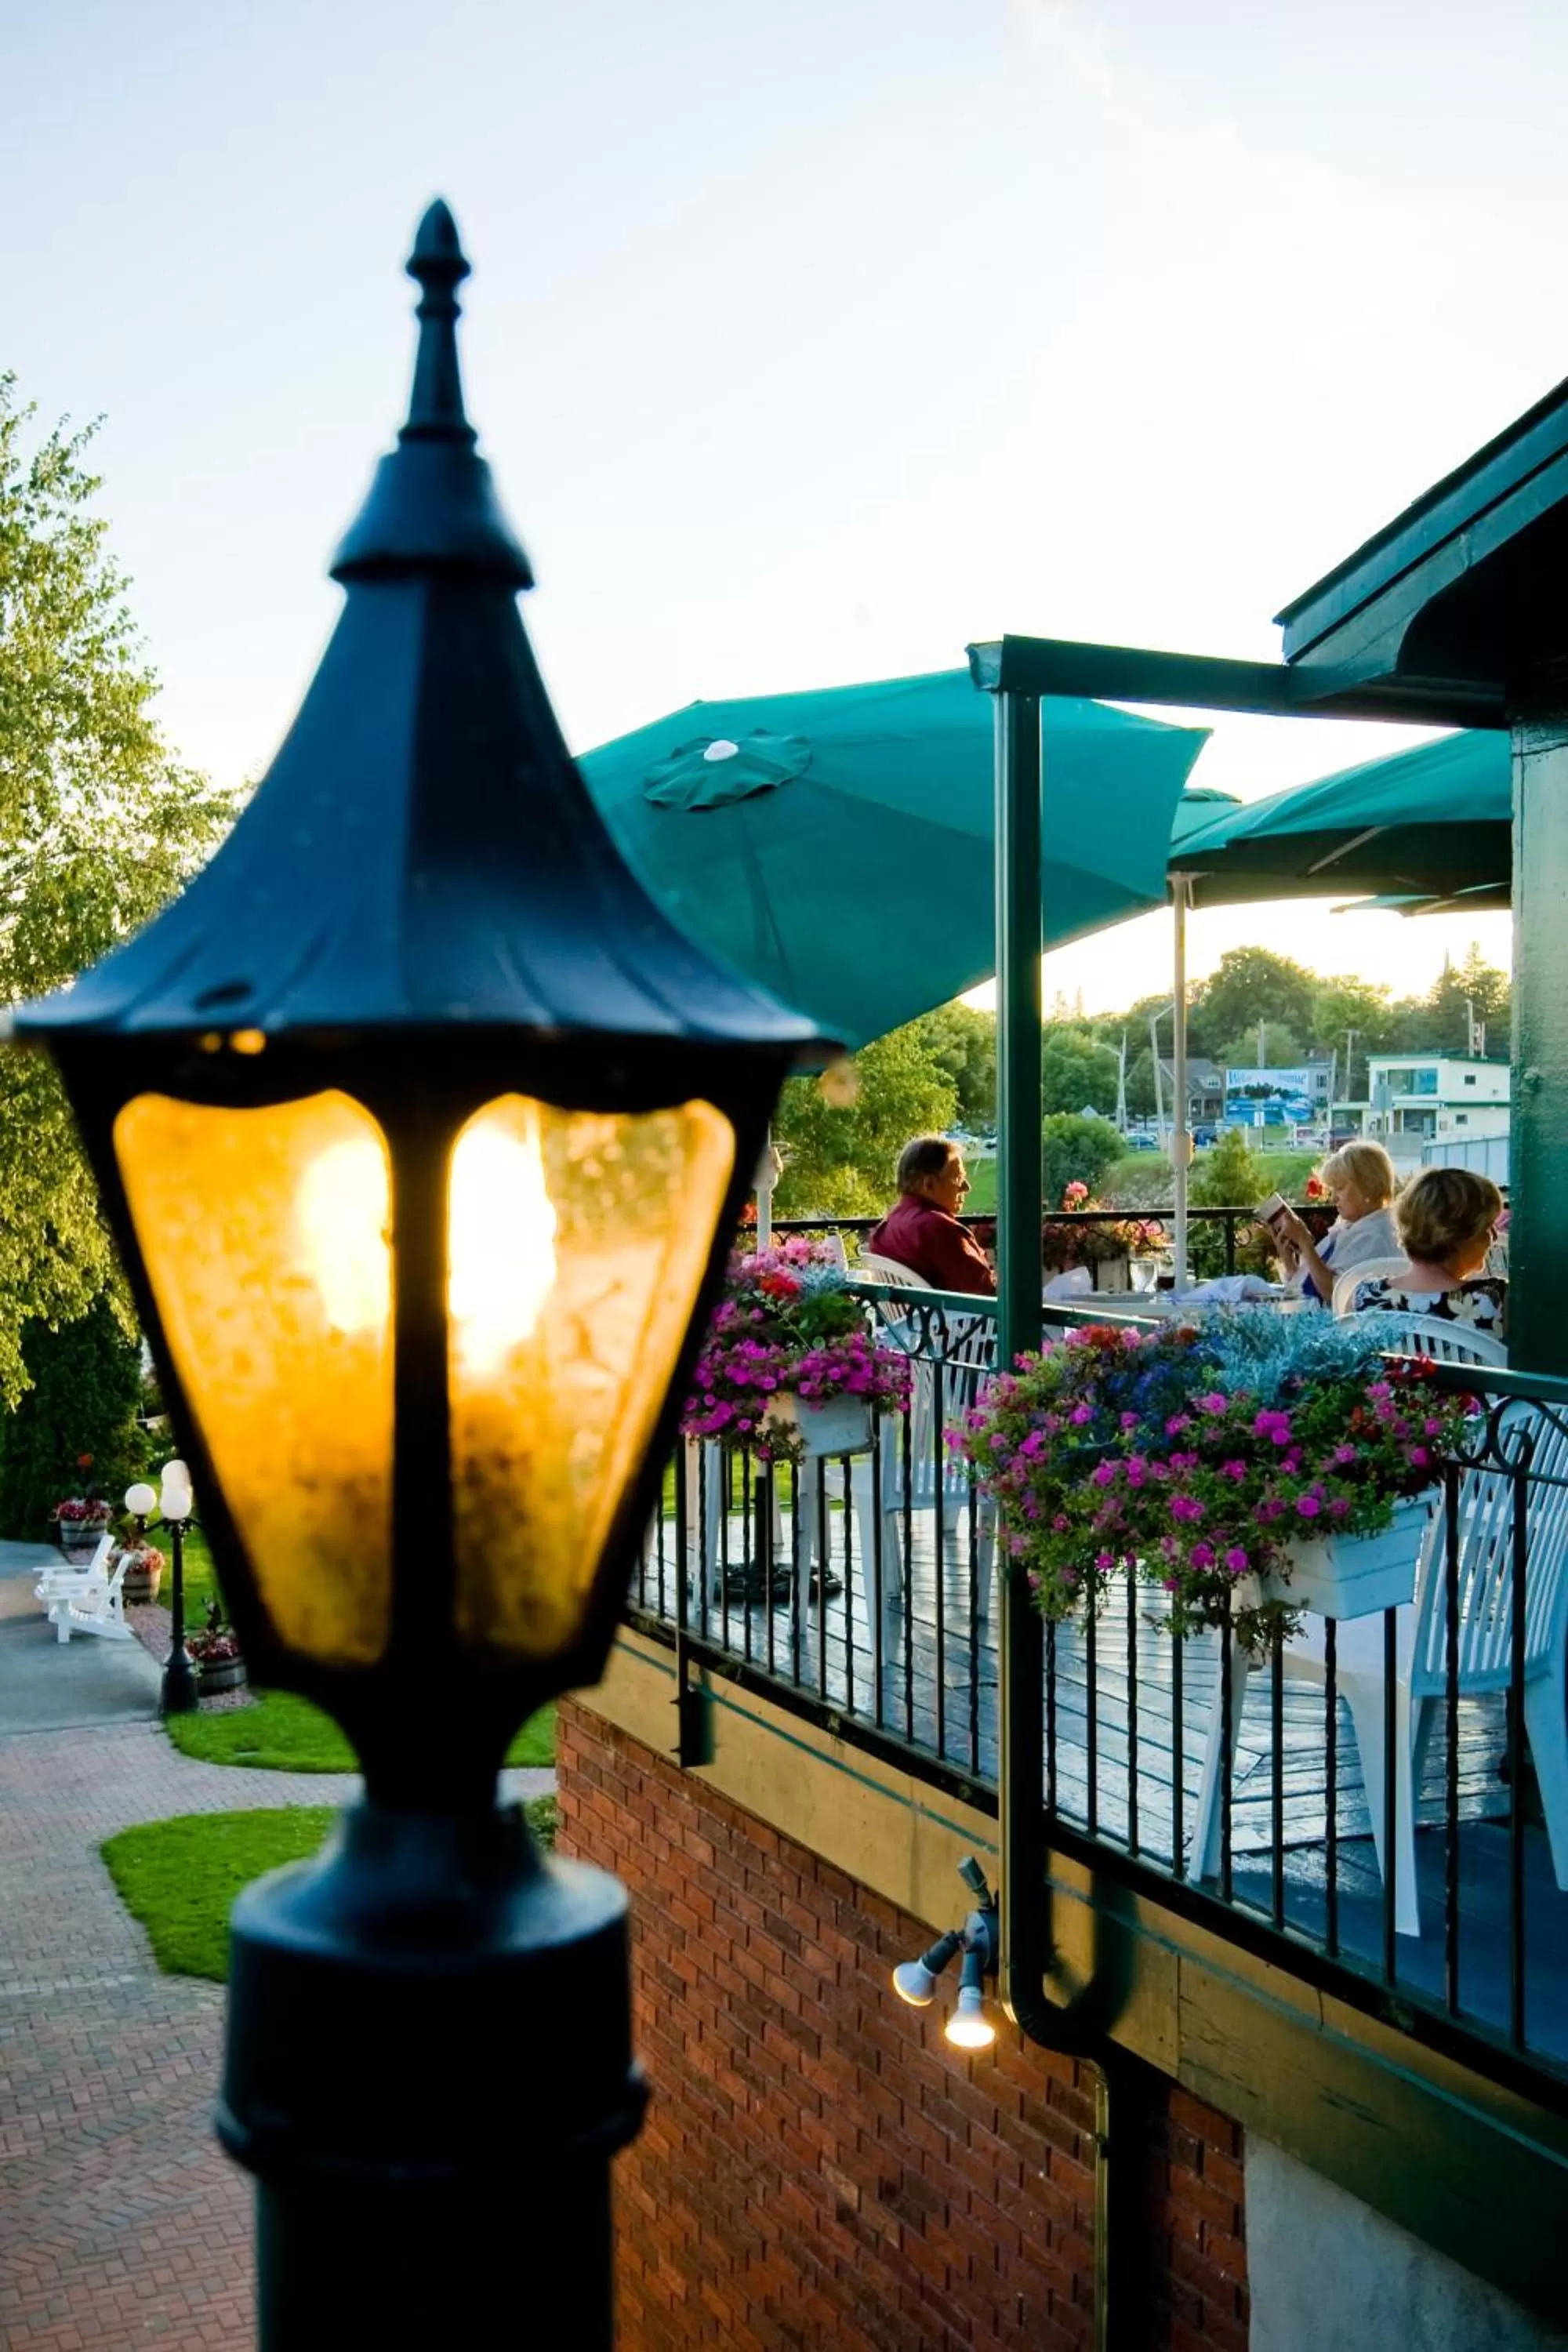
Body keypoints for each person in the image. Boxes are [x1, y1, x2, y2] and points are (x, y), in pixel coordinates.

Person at [1348, 1166, 1507, 1339]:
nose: (1494, 1236)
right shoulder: (1496, 1301)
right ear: (1461, 1235)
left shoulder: (1364, 1297)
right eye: (1487, 1227)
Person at [1267, 1140, 1401, 1306]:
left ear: (1368, 1186)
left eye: (1340, 1188)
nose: (1334, 1198)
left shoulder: (1375, 1237)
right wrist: (1288, 1260)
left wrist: (1305, 1242)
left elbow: (1335, 1295)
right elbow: (1309, 1289)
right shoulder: (1349, 1227)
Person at [866, 1137, 996, 1296]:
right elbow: (985, 1291)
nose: (966, 1187)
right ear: (929, 1184)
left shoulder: (886, 1228)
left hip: (909, 1320)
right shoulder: (937, 1228)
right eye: (958, 1178)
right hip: (955, 1319)